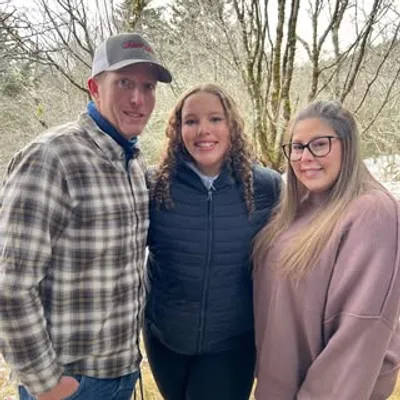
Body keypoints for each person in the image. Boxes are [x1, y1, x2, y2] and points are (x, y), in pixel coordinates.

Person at [0, 32, 172, 400]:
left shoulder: (132, 161)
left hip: (121, 372)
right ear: (94, 88)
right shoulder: (51, 158)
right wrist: (46, 382)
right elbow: (10, 286)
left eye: (148, 86)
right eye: (123, 83)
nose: (138, 98)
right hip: (70, 382)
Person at [252, 100, 400, 399]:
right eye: (297, 147)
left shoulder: (373, 213)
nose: (305, 157)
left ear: (348, 146)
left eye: (320, 144)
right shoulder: (298, 209)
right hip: (278, 387)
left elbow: (358, 335)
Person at [143, 83, 281, 400]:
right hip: (166, 340)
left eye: (215, 119)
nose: (203, 130)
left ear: (231, 125)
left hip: (231, 344)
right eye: (191, 121)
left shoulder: (266, 187)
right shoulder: (153, 185)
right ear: (178, 130)